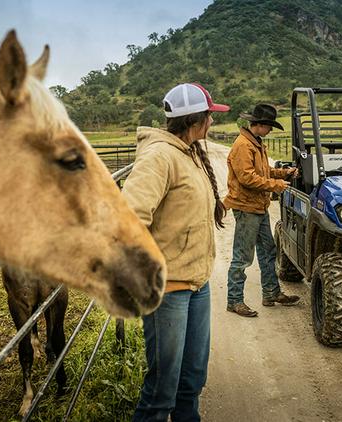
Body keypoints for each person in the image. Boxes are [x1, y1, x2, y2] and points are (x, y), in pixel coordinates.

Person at [122, 82, 229, 421]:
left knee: (191, 379)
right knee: (161, 390)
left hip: (197, 284)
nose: (212, 122)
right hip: (168, 290)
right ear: (197, 120)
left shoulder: (189, 151)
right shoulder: (159, 157)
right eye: (210, 116)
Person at [224, 103, 300, 318]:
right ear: (259, 125)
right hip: (247, 207)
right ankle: (234, 300)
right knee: (242, 256)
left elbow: (263, 172)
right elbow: (247, 178)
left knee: (268, 250)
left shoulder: (255, 143)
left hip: (258, 206)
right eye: (269, 127)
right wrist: (276, 185)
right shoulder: (243, 146)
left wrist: (282, 173)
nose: (270, 131)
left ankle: (271, 293)